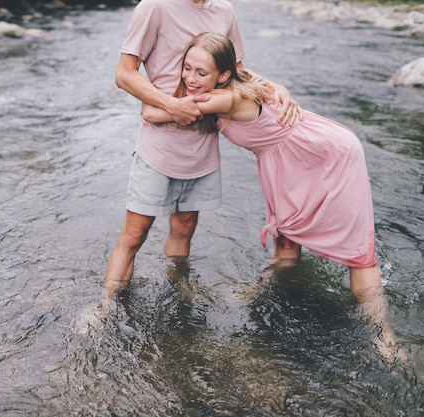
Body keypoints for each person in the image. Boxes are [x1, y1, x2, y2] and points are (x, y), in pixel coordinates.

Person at [141, 32, 404, 363]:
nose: (191, 79)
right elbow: (273, 86)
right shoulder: (240, 79)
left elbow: (151, 113)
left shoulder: (223, 99)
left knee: (358, 250)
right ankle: (263, 290)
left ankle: (385, 336)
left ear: (223, 74)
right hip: (288, 159)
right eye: (187, 68)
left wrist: (156, 85)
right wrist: (282, 90)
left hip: (326, 153)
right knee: (286, 233)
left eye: (201, 73)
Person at [104, 0, 300, 297]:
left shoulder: (224, 11)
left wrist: (276, 88)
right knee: (133, 235)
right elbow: (124, 74)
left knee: (184, 228)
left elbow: (236, 71)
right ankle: (105, 308)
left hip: (203, 147)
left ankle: (177, 294)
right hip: (158, 147)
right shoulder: (154, 7)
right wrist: (172, 105)